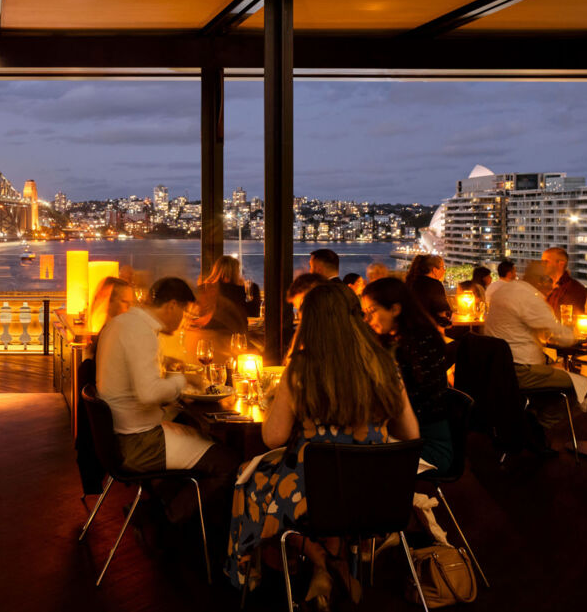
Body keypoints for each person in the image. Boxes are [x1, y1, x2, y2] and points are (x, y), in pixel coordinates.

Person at [225, 283, 419, 604]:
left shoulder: (300, 371)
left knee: (248, 480)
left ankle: (313, 558)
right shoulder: (385, 366)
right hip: (377, 494)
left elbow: (273, 437)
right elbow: (411, 435)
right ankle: (331, 561)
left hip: (311, 496)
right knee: (328, 486)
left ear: (309, 321)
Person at [96, 277, 238, 535]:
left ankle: (166, 512)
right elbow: (148, 393)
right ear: (173, 305)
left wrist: (170, 372)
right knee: (229, 462)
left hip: (119, 435)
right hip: (138, 443)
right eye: (185, 313)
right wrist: (182, 380)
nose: (185, 321)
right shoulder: (140, 332)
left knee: (191, 429)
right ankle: (164, 520)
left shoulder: (123, 323)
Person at [485, 260, 578, 454]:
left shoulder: (505, 291)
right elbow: (562, 336)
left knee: (553, 379)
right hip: (522, 370)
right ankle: (536, 429)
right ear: (542, 280)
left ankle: (529, 422)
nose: (553, 287)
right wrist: (577, 335)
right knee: (578, 383)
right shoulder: (530, 298)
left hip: (498, 368)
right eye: (552, 282)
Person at [361, 277, 453, 470]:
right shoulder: (396, 340)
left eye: (371, 311)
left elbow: (400, 402)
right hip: (404, 434)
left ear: (395, 309)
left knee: (350, 451)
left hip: (427, 445)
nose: (366, 319)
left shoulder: (420, 344)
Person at [196, 255, 249, 336]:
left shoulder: (205, 288)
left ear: (216, 270)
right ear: (235, 272)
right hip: (234, 335)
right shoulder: (239, 291)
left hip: (207, 334)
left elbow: (200, 313)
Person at [406, 254, 451, 329]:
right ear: (434, 270)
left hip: (409, 328)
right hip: (427, 330)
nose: (444, 270)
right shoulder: (435, 285)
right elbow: (442, 313)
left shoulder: (411, 281)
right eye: (443, 267)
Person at [541, 247, 586, 316]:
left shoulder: (573, 289)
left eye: (546, 261)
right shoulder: (545, 285)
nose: (542, 265)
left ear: (561, 264)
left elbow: (567, 319)